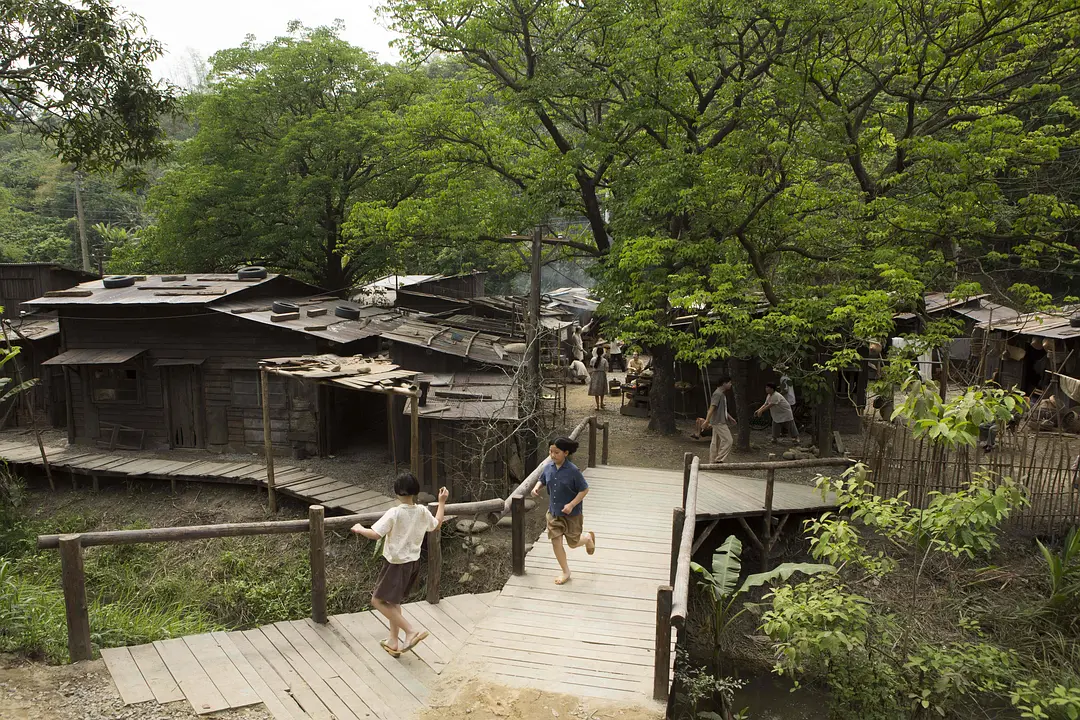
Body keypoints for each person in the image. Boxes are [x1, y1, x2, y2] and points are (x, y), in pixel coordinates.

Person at [352, 473, 449, 658]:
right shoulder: (421, 511)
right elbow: (436, 525)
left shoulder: (395, 512)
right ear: (416, 491)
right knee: (393, 602)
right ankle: (393, 641)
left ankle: (410, 631)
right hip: (413, 563)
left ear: (397, 492)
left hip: (395, 564)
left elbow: (376, 534)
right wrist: (442, 502)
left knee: (377, 601)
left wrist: (359, 529)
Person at [531, 437, 595, 585]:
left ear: (566, 453)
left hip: (572, 514)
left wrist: (572, 504)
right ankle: (566, 571)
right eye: (550, 452)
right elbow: (542, 479)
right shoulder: (548, 467)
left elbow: (584, 489)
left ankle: (587, 539)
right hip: (554, 513)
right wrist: (536, 487)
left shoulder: (573, 471)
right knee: (556, 542)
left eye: (556, 452)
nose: (553, 455)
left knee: (573, 543)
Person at [702, 376, 736, 463]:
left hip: (719, 420)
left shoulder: (721, 394)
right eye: (729, 383)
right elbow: (712, 408)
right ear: (724, 383)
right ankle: (719, 459)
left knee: (715, 442)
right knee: (728, 440)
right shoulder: (718, 394)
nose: (730, 384)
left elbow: (722, 409)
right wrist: (706, 421)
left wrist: (730, 418)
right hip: (718, 422)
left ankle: (712, 460)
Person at [588, 345, 609, 410]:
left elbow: (591, 367)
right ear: (603, 352)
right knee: (601, 390)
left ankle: (597, 405)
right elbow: (606, 368)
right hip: (602, 374)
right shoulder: (604, 360)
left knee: (596, 390)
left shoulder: (593, 359)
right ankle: (601, 403)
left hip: (595, 374)